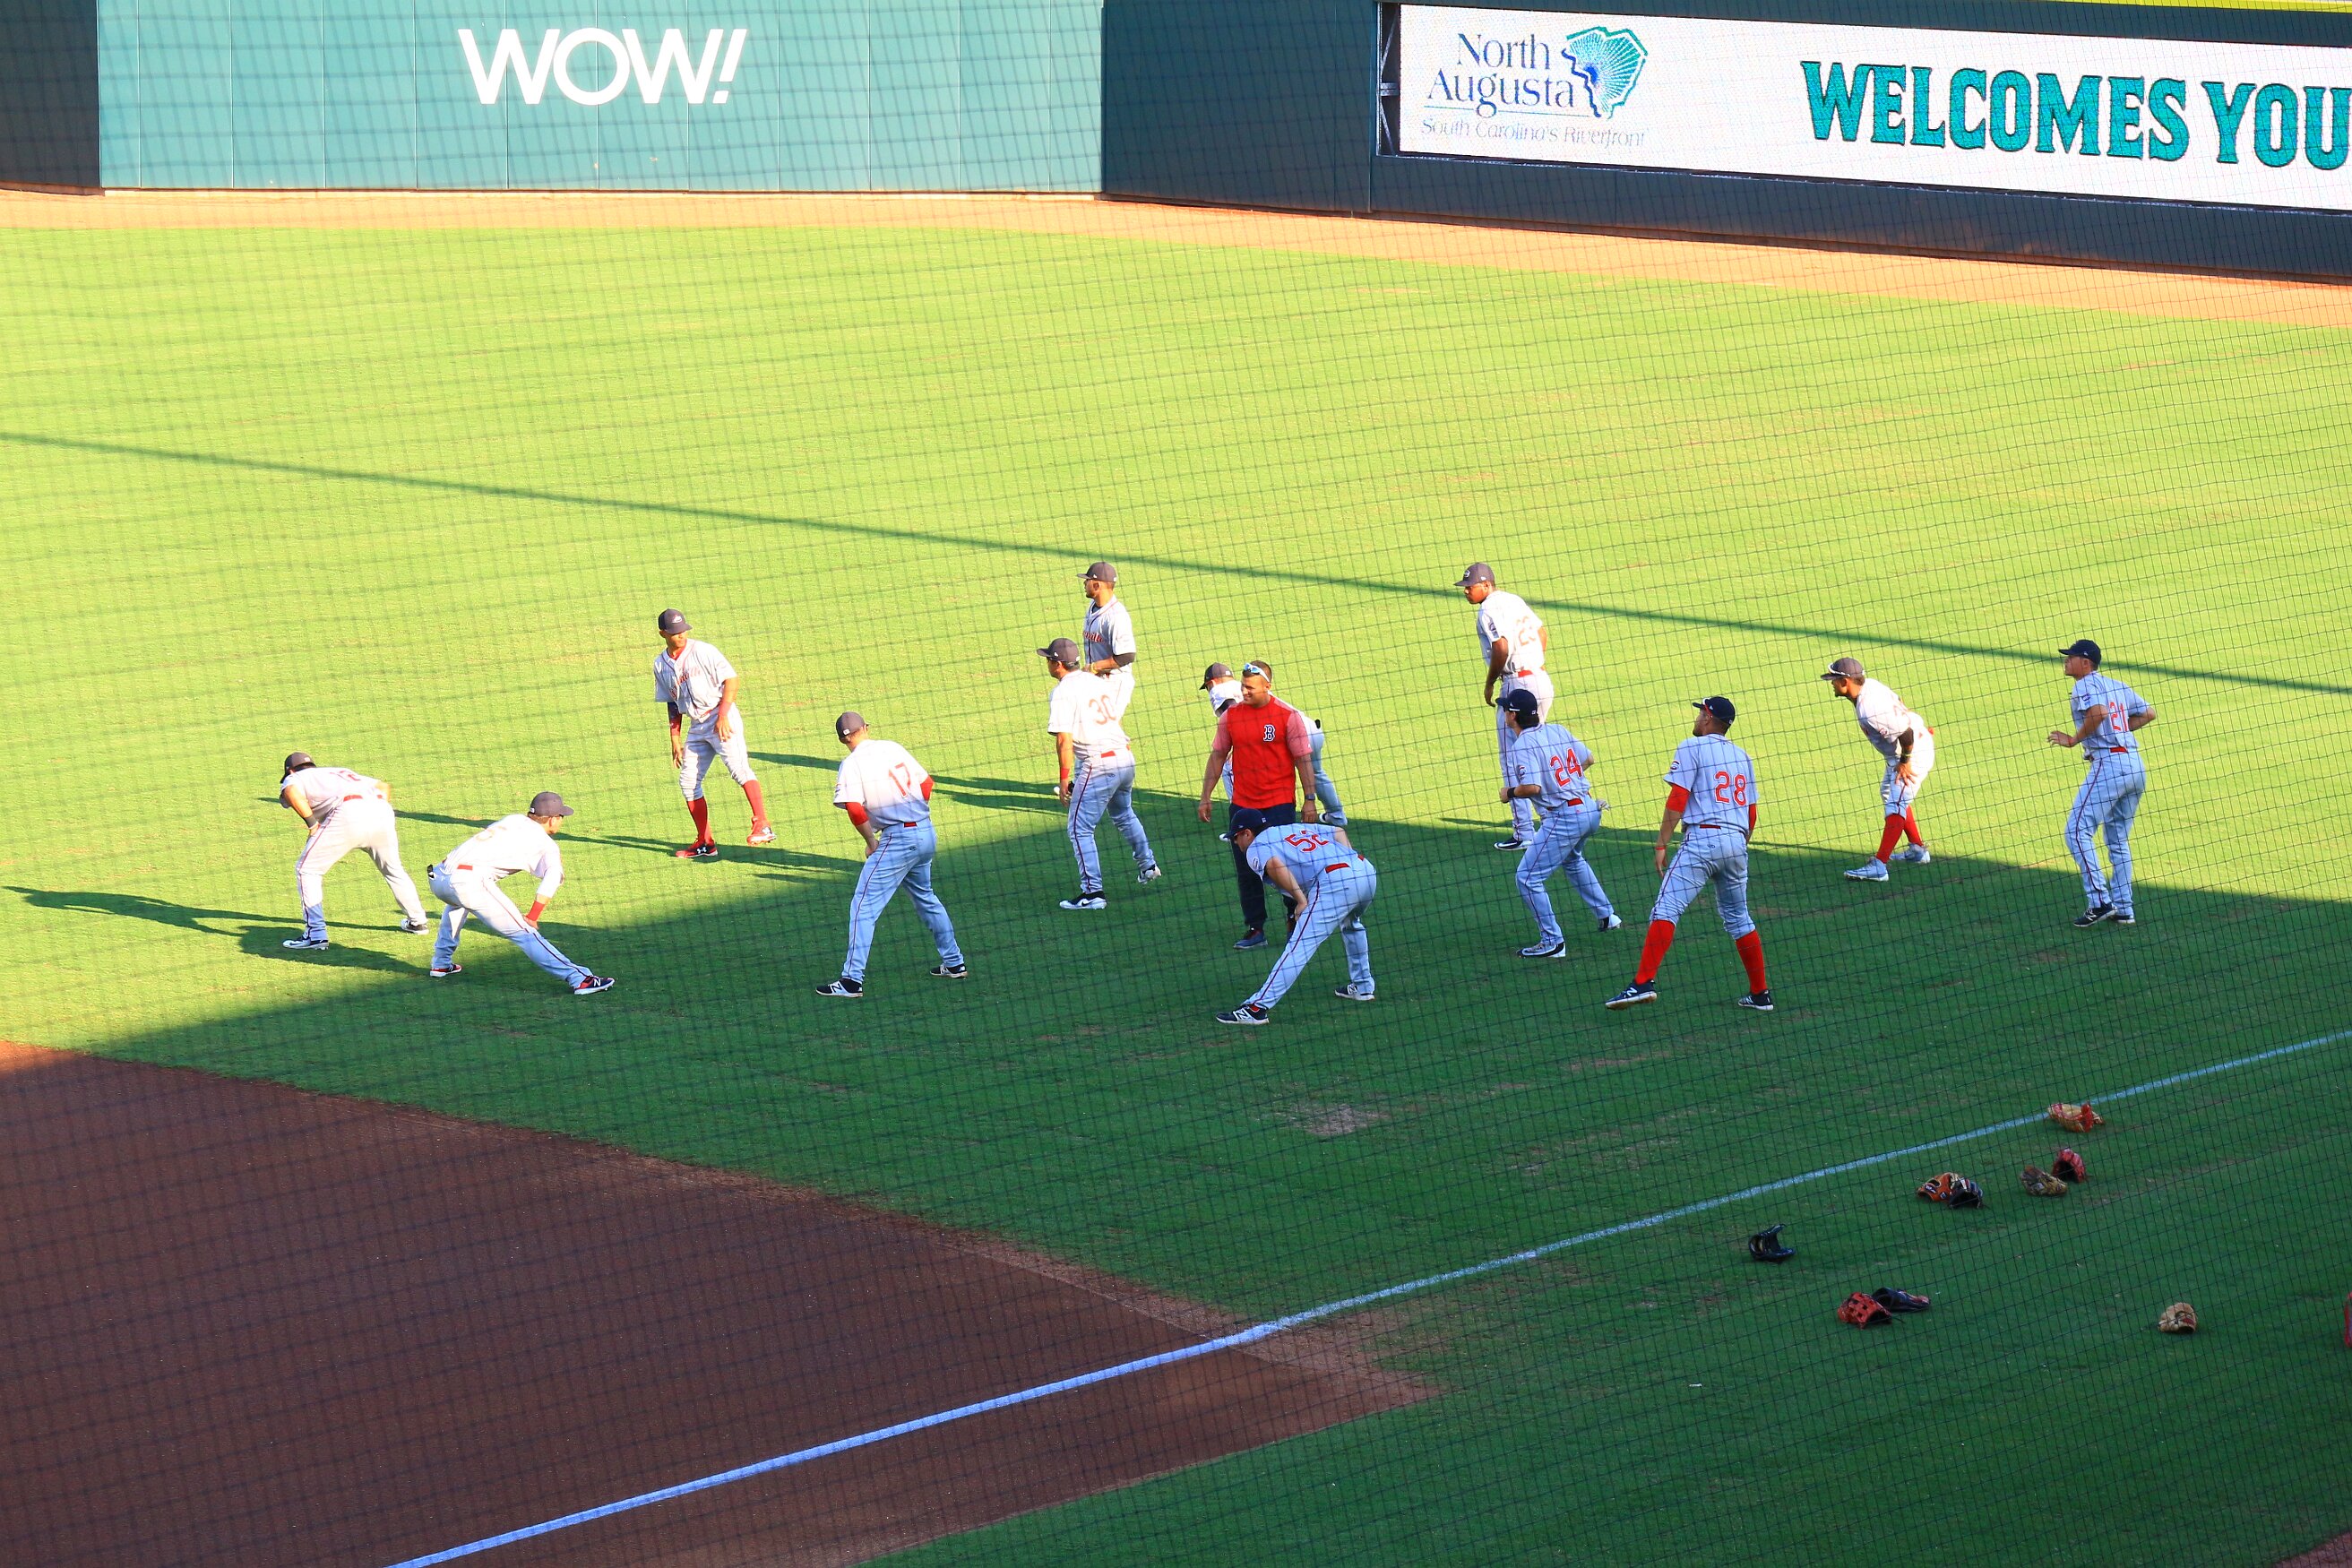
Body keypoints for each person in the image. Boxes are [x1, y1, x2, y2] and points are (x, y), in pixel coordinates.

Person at [1606, 697, 1771, 1012]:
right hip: (1737, 843)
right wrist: (1737, 845)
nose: (1696, 718)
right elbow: (1751, 813)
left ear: (1708, 717)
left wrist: (1661, 844)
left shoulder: (1691, 747)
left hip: (1702, 841)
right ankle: (1760, 994)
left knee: (1666, 908)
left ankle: (1642, 983)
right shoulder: (1742, 756)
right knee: (1739, 918)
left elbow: (1679, 797)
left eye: (1699, 712)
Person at [819, 712, 966, 997]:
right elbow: (927, 784)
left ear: (842, 740)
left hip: (898, 840)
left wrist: (871, 841)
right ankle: (954, 962)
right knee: (926, 897)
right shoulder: (892, 747)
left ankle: (851, 981)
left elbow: (854, 808)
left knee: (863, 907)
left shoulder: (852, 764)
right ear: (866, 728)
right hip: (926, 832)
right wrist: (911, 812)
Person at [426, 791, 613, 995]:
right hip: (468, 882)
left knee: (457, 903)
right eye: (561, 817)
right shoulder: (546, 845)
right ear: (552, 819)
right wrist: (533, 916)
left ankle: (441, 963)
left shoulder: (513, 819)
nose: (562, 821)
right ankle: (580, 979)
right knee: (525, 933)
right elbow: (551, 879)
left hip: (438, 876)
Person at [1199, 661, 1323, 950]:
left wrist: (1309, 800)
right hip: (1243, 805)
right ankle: (1255, 929)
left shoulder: (1287, 717)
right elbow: (1218, 755)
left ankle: (1294, 917)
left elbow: (1303, 760)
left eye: (1250, 688)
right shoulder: (1231, 717)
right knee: (1246, 870)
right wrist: (1206, 796)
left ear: (1268, 686)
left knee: (1286, 866)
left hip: (1278, 804)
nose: (1244, 692)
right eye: (1243, 686)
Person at [1217, 821, 1376, 1025]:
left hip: (1335, 882)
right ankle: (1363, 986)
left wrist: (1301, 901)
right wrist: (1349, 867)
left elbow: (1275, 865)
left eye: (1236, 837)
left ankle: (1256, 1009)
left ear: (1247, 833)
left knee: (1299, 947)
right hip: (1364, 869)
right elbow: (1338, 831)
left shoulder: (1256, 846)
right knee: (1352, 924)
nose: (1235, 842)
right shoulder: (1293, 827)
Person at [1042, 637, 1158, 910]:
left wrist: (1064, 778)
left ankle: (1093, 893)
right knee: (1123, 813)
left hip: (1099, 764)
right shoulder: (1094, 680)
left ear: (1057, 664)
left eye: (1048, 659)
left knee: (1078, 828)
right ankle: (1148, 865)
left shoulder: (1062, 692)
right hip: (1124, 757)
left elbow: (1064, 740)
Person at [1499, 691, 1618, 957]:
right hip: (1590, 809)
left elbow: (1533, 787)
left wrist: (1509, 793)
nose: (1504, 713)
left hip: (1566, 817)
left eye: (1506, 709)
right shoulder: (1557, 730)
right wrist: (1565, 781)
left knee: (1527, 878)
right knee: (1572, 860)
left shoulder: (1523, 745)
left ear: (1513, 715)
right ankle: (1607, 915)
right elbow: (1589, 759)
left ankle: (1553, 942)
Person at [2047, 638, 2154, 927]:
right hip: (2134, 764)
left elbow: (2099, 713)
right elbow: (2149, 713)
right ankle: (2124, 909)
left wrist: (2074, 740)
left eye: (2070, 657)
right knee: (2118, 839)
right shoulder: (2117, 685)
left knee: (2076, 832)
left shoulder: (2084, 685)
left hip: (2110, 765)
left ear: (2085, 663)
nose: (2066, 661)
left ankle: (2099, 901)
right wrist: (2115, 733)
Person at [275, 752, 429, 951]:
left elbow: (290, 792)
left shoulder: (295, 777)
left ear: (290, 770)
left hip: (348, 813)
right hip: (381, 810)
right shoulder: (339, 772)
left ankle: (316, 935)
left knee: (307, 870)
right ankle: (418, 921)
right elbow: (383, 787)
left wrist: (312, 825)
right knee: (393, 870)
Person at [653, 608, 772, 859]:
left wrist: (723, 715)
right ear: (663, 633)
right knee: (688, 782)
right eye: (675, 632)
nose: (681, 635)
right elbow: (672, 702)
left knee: (739, 769)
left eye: (683, 630)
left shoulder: (703, 651)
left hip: (721, 716)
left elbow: (732, 680)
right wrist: (675, 737)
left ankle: (762, 824)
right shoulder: (660, 664)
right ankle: (705, 843)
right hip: (697, 725)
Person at [1458, 563, 1552, 849]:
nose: (1466, 591)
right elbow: (1542, 633)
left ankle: (1524, 832)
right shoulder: (1513, 600)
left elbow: (1501, 646)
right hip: (1541, 681)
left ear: (1486, 585)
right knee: (1537, 751)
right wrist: (1532, 662)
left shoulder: (1488, 609)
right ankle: (1552, 819)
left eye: (1470, 586)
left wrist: (1490, 682)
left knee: (1512, 757)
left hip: (1517, 686)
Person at [1821, 657, 1934, 882]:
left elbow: (1906, 734)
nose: (1831, 683)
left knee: (1896, 804)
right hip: (1910, 745)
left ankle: (1879, 866)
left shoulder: (1869, 709)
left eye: (1834, 679)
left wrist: (1905, 761)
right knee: (1889, 794)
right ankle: (1917, 850)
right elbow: (1899, 704)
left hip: (1912, 752)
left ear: (1845, 682)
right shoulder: (1870, 685)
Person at [1081, 562, 1137, 712]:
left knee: (1105, 725)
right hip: (1096, 681)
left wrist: (1094, 667)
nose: (1084, 583)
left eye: (1087, 580)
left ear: (1097, 585)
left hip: (1114, 683)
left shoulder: (1116, 616)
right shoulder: (1092, 606)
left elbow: (1126, 656)